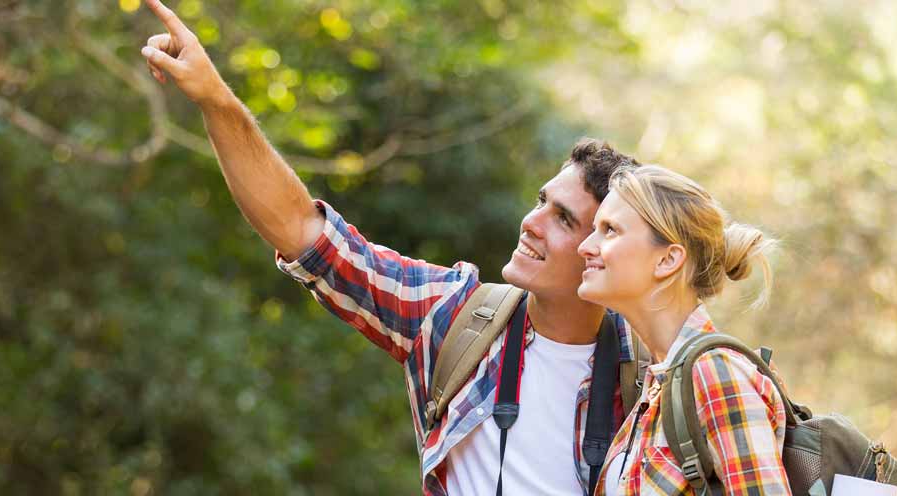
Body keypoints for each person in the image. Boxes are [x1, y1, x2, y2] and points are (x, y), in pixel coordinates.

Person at [136, 1, 645, 494]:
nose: (530, 223)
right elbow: (301, 231)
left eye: (561, 219)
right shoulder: (456, 319)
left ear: (601, 248)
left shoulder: (651, 376)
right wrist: (214, 98)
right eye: (540, 201)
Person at [575, 165, 789, 495]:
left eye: (610, 230)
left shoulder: (715, 373)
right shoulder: (659, 381)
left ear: (668, 260)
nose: (586, 246)